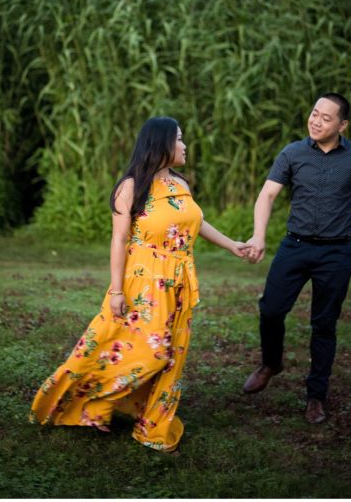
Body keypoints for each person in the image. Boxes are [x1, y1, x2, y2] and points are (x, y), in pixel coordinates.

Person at [30, 117, 253, 453]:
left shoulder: (181, 184)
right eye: (179, 139)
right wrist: (117, 291)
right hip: (143, 284)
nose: (185, 145)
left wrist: (233, 244)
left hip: (179, 282)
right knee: (150, 352)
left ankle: (153, 425)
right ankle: (85, 399)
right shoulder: (131, 187)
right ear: (162, 144)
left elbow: (195, 221)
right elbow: (119, 240)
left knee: (171, 356)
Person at [241, 93, 351, 425]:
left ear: (342, 124)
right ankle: (271, 363)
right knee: (271, 309)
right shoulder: (292, 153)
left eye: (326, 118)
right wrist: (259, 234)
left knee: (324, 325)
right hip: (294, 246)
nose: (316, 121)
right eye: (314, 114)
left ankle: (316, 396)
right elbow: (267, 194)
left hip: (336, 253)